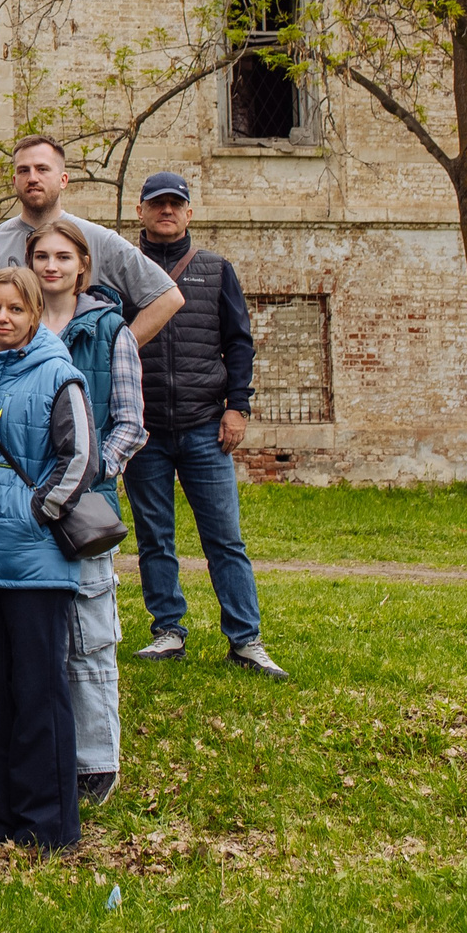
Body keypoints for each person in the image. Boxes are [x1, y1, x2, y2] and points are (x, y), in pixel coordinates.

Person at [0, 267, 98, 852]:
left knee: (38, 691)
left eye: (15, 309)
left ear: (34, 313)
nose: (3, 319)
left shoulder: (58, 375)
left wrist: (35, 514)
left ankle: (48, 824)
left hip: (34, 562)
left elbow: (81, 458)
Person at [128, 173, 286, 678]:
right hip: (145, 430)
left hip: (204, 426)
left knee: (224, 538)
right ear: (142, 211)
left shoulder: (216, 270)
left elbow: (239, 343)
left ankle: (245, 639)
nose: (167, 212)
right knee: (155, 536)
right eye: (158, 205)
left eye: (176, 204)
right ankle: (168, 631)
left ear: (190, 213)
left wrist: (236, 406)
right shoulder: (123, 269)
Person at [28, 218, 148, 807]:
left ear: (82, 266)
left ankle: (98, 758)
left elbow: (129, 423)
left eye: (62, 257)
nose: (51, 266)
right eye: (41, 257)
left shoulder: (109, 331)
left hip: (84, 507)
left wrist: (91, 473)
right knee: (38, 634)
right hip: (24, 507)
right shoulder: (16, 329)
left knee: (90, 633)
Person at [0, 136, 183, 345]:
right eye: (24, 170)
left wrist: (115, 351)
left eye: (42, 169)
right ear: (15, 181)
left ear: (63, 180)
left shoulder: (98, 240)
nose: (33, 178)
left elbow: (168, 297)